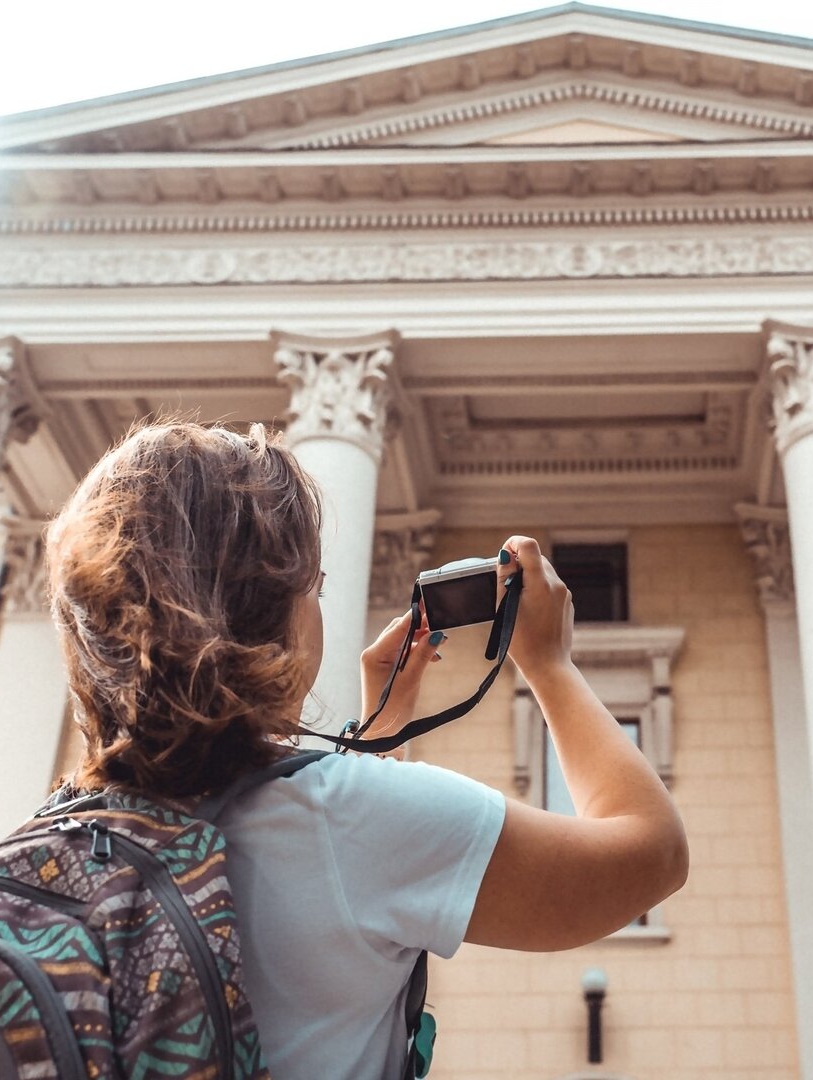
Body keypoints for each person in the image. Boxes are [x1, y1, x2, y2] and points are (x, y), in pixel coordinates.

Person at [46, 421, 689, 1080]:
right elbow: (653, 856)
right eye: (314, 587)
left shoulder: (70, 830)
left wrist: (383, 729)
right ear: (274, 610)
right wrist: (550, 664)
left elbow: (339, 868)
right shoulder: (346, 819)